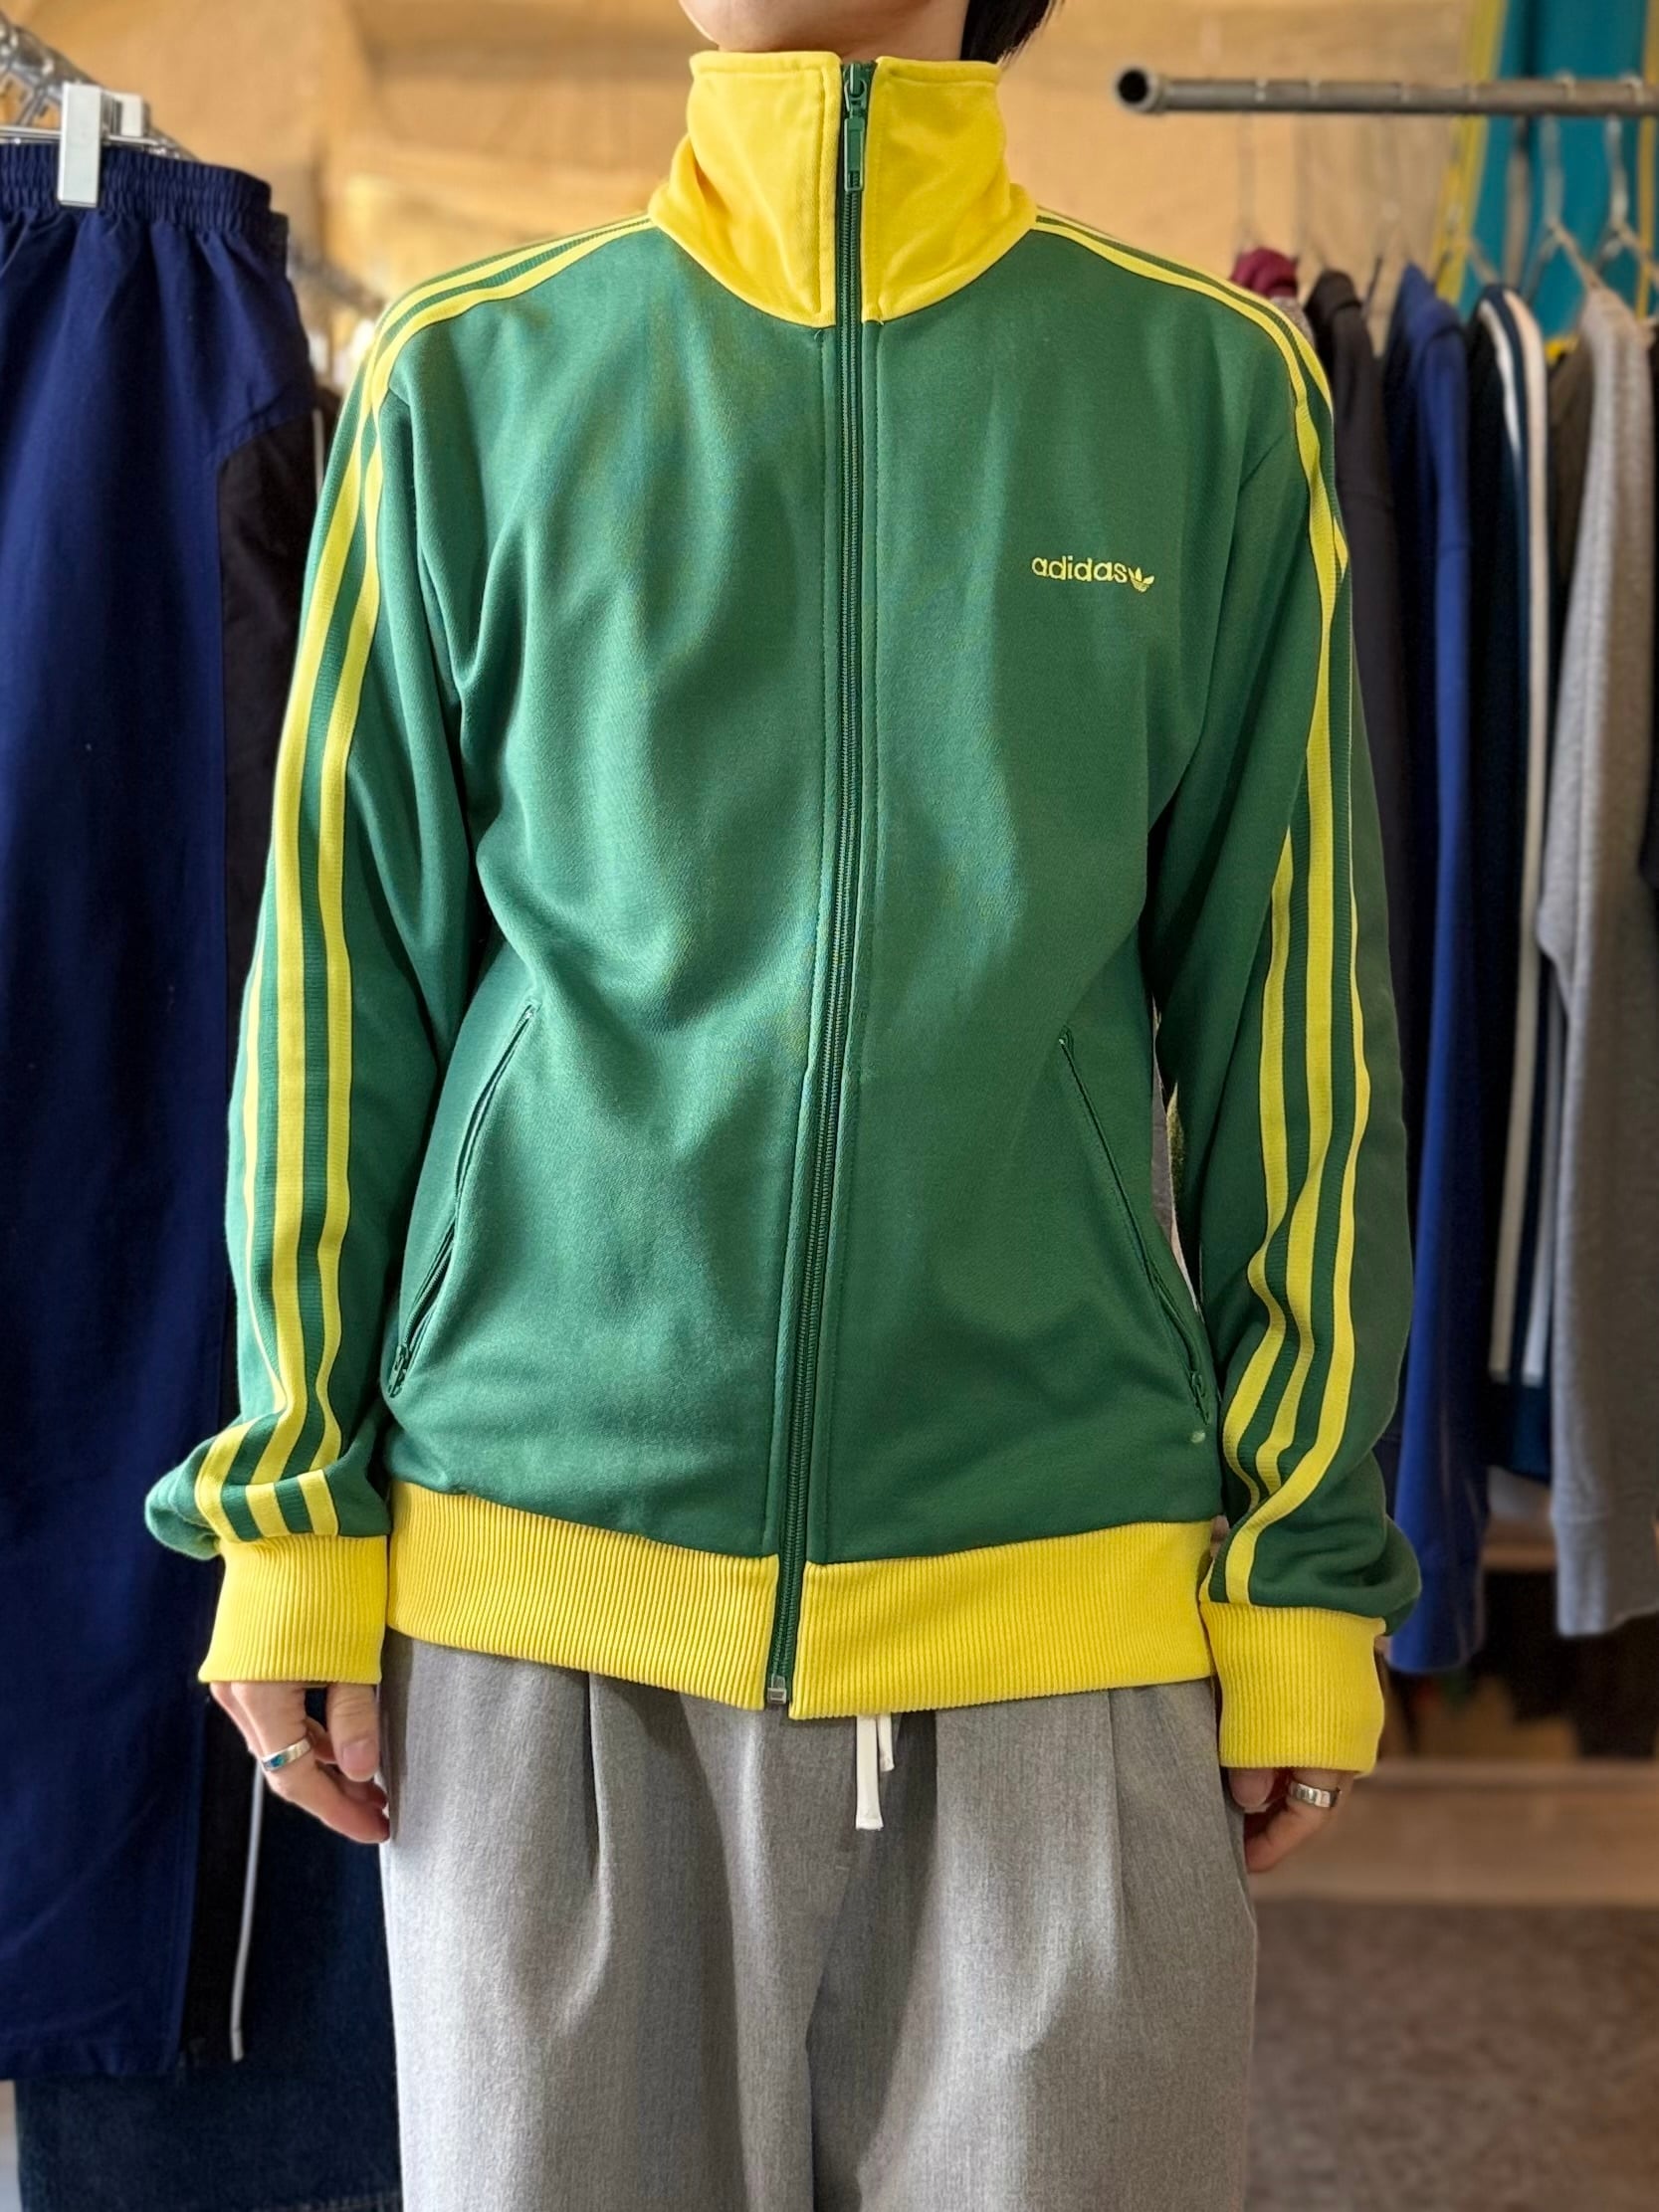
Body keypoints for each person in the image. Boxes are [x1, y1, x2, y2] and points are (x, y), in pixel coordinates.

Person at [145, 1, 1421, 2205]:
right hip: (540, 1602)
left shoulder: (1204, 390)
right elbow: (339, 989)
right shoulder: (467, 378)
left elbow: (1291, 1017)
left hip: (1061, 1599)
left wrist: (1303, 1568)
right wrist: (290, 1518)